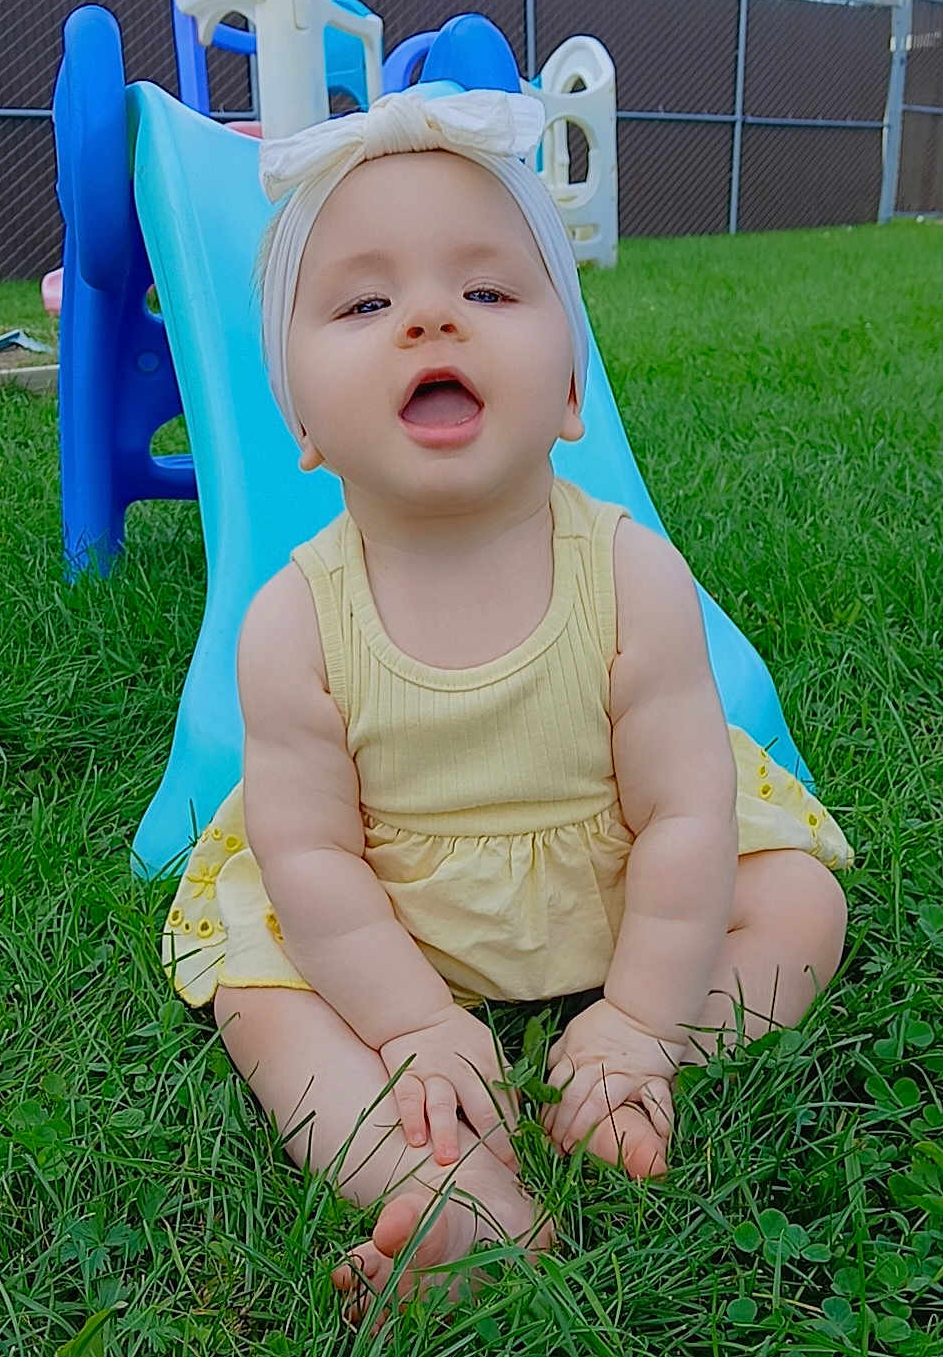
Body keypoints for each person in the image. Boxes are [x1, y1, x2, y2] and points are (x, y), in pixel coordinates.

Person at [161, 87, 853, 1327]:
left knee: (799, 900)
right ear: (303, 426)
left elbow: (686, 815)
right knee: (264, 1000)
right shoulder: (293, 624)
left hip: (618, 871)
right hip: (383, 911)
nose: (429, 315)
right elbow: (312, 856)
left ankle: (628, 1073)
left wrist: (642, 1012)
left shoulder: (633, 577)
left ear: (572, 393)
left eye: (487, 292)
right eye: (365, 304)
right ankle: (456, 1189)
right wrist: (414, 1019)